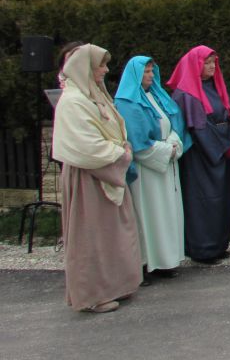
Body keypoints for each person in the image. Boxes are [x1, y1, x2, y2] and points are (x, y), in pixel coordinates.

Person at [52, 44, 141, 313]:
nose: (106, 69)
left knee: (111, 235)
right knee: (91, 237)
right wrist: (120, 154)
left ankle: (115, 285)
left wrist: (121, 146)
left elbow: (114, 126)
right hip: (88, 178)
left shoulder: (94, 96)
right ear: (86, 68)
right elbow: (84, 146)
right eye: (100, 65)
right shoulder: (73, 101)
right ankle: (93, 295)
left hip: (107, 169)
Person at [114, 56, 188, 280]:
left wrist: (174, 143)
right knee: (147, 214)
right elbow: (138, 143)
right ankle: (145, 263)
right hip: (146, 170)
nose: (150, 75)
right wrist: (167, 150)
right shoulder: (127, 102)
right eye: (145, 72)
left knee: (166, 213)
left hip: (166, 162)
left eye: (151, 71)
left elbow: (174, 122)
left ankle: (166, 260)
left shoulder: (157, 96)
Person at [168, 46, 230, 264]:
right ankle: (202, 248)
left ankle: (217, 244)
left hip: (219, 150)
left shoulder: (214, 87)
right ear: (195, 65)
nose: (211, 67)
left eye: (213, 63)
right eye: (207, 63)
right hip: (201, 155)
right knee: (203, 200)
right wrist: (224, 146)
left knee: (221, 199)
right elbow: (199, 127)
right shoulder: (186, 94)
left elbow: (224, 115)